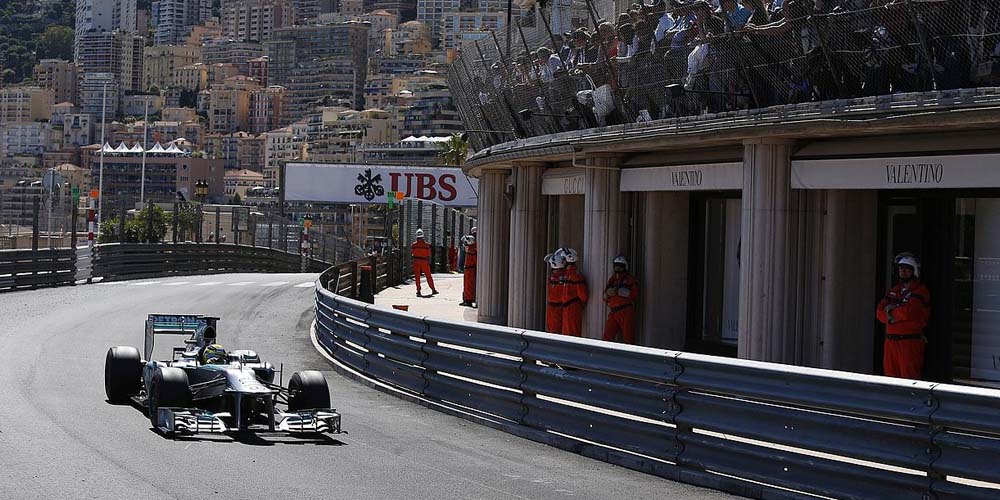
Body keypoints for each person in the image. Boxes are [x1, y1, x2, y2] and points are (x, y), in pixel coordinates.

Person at [876, 253, 931, 379]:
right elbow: (879, 312)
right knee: (890, 379)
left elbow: (908, 311)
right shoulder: (894, 290)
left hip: (909, 343)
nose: (903, 272)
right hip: (890, 342)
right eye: (901, 269)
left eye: (907, 269)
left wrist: (890, 313)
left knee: (909, 379)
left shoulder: (920, 291)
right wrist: (895, 313)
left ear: (914, 271)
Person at [602, 255, 639, 344]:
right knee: (607, 338)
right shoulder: (612, 280)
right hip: (613, 311)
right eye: (616, 266)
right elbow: (604, 295)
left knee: (628, 338)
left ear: (625, 267)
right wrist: (607, 294)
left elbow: (634, 294)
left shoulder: (630, 279)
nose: (617, 268)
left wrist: (619, 291)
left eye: (620, 266)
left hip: (625, 311)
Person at [561, 248, 588, 337]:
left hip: (573, 308)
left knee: (573, 332)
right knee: (566, 333)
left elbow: (583, 295)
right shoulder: (567, 274)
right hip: (566, 307)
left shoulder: (576, 275)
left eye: (563, 259)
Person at [545, 251, 567, 334]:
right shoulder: (561, 278)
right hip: (554, 307)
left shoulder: (557, 279)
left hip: (557, 307)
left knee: (554, 330)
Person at [411, 228, 438, 297]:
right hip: (424, 261)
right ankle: (433, 289)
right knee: (428, 276)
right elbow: (429, 254)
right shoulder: (426, 245)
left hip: (416, 261)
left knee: (417, 276)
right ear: (423, 235)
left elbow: (412, 253)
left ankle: (418, 291)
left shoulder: (414, 245)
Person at [460, 227, 478, 307]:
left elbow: (475, 261)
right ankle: (466, 299)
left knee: (469, 285)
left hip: (470, 269)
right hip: (469, 269)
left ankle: (468, 300)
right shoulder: (472, 248)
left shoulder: (472, 250)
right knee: (467, 285)